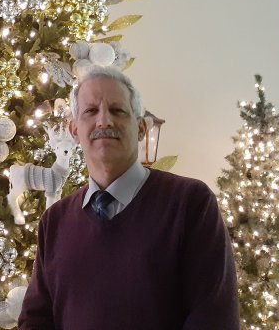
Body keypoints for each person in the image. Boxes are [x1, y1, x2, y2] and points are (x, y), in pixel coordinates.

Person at [18, 66, 240, 330]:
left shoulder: (191, 203)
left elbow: (213, 317)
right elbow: (35, 320)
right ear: (74, 131)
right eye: (91, 111)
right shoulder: (54, 221)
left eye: (118, 110)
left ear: (142, 128)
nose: (104, 121)